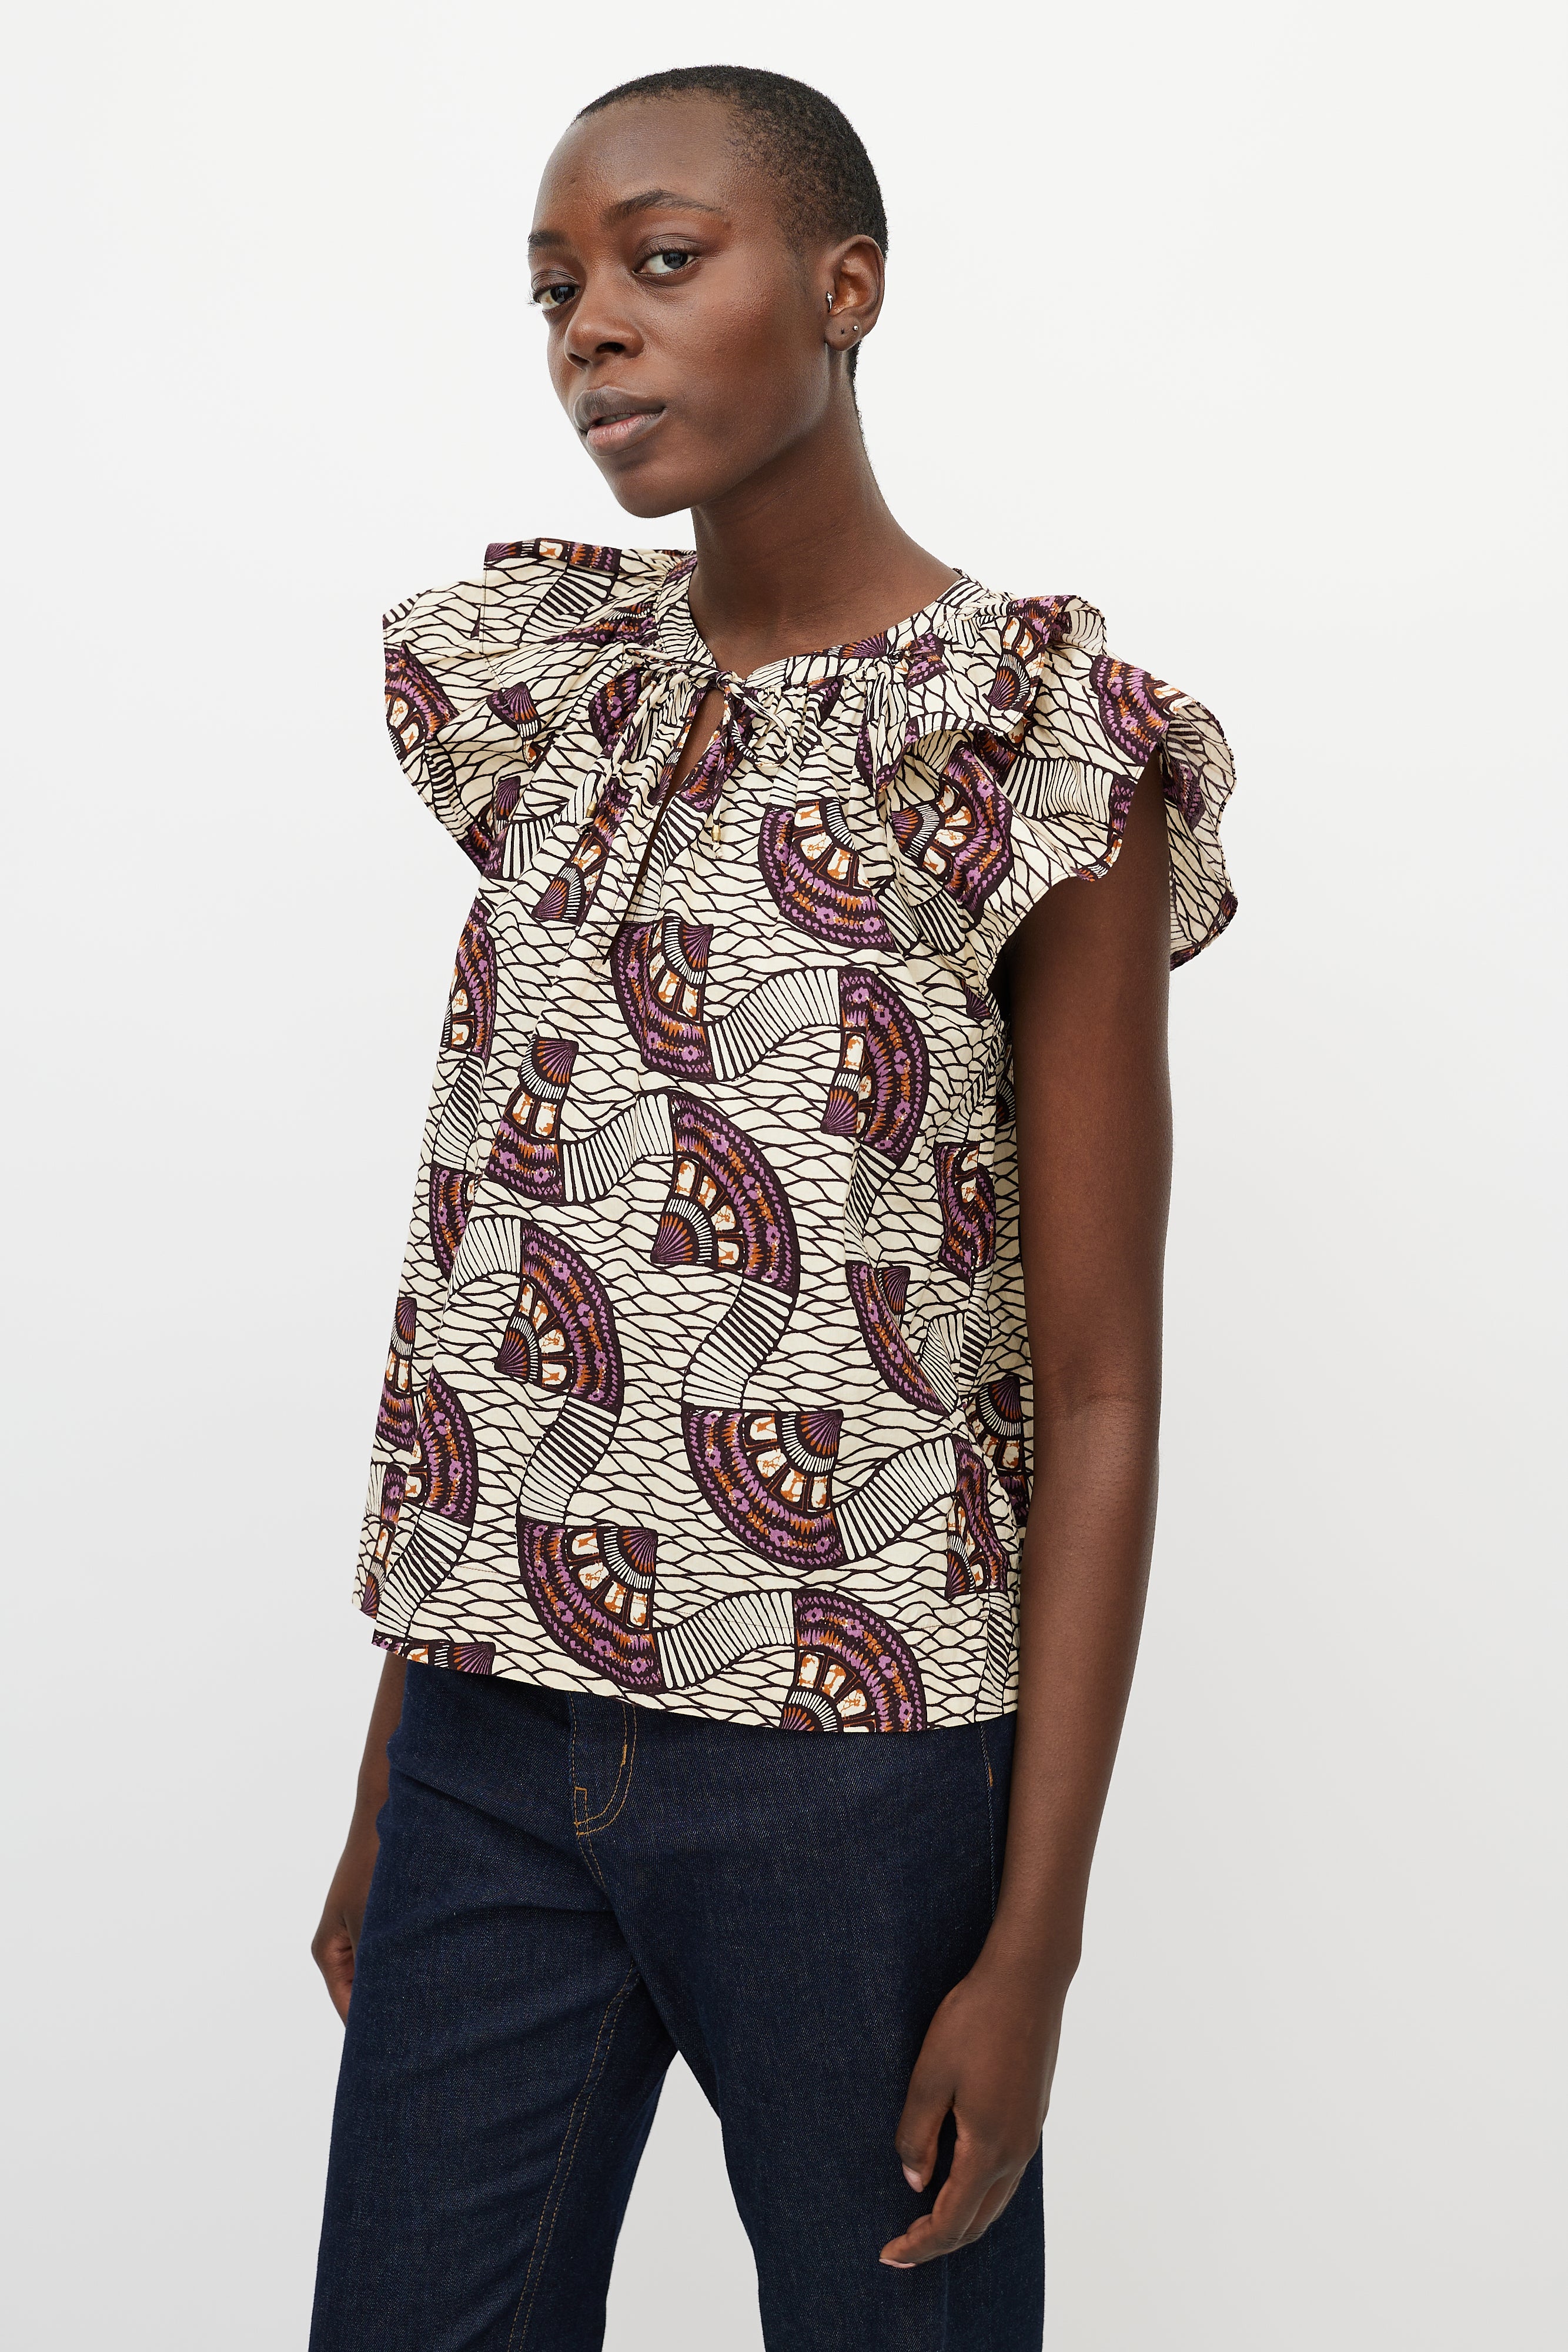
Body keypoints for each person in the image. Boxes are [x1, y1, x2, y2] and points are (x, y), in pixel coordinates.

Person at [309, 62, 1236, 2352]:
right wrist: (394, 1783)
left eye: (657, 259)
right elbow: (516, 1281)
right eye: (553, 291)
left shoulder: (1029, 744)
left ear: (847, 286)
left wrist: (1032, 1950)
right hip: (488, 1744)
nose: (591, 331)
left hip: (855, 1775)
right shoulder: (556, 699)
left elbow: (1100, 1383)